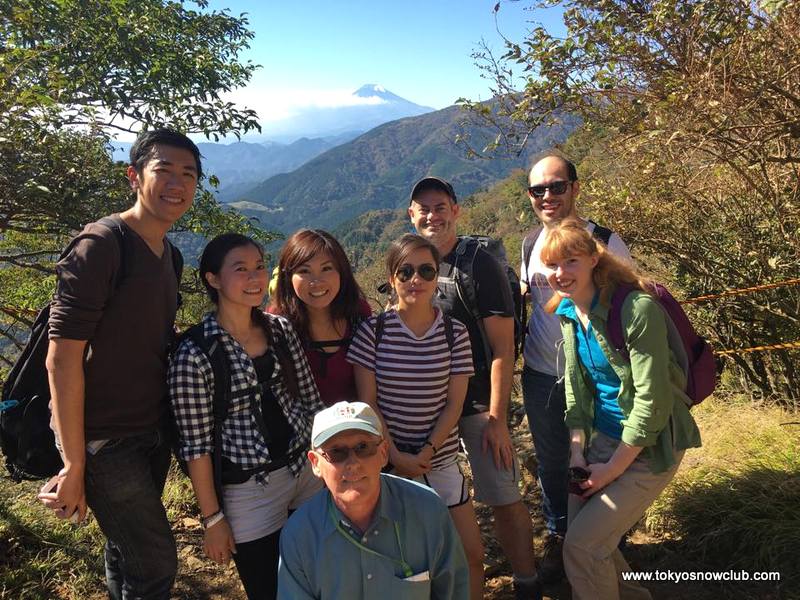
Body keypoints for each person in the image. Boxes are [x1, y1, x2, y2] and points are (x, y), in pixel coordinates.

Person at [38, 128, 199, 599]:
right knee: (155, 563)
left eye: (188, 174)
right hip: (104, 439)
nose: (177, 184)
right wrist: (72, 461)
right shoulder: (102, 244)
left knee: (125, 551)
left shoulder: (169, 255)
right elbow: (61, 358)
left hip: (150, 429)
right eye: (163, 171)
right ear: (134, 176)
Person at [540, 218, 701, 599]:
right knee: (589, 546)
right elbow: (578, 393)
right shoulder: (568, 313)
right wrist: (578, 451)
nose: (560, 274)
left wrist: (613, 469)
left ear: (594, 259)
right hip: (603, 441)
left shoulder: (636, 308)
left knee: (582, 546)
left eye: (571, 262)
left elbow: (652, 402)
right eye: (552, 265)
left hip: (651, 445)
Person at [169, 233, 324, 599]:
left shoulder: (280, 330)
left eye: (258, 267)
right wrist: (212, 519)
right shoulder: (195, 353)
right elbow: (196, 446)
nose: (255, 277)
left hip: (306, 470)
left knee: (321, 573)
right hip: (250, 490)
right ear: (212, 279)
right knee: (267, 587)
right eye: (241, 269)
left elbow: (311, 402)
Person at [408, 177, 541, 599]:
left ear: (456, 211)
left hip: (481, 402)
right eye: (423, 207)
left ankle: (527, 582)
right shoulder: (412, 263)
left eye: (440, 206)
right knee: (433, 499)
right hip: (433, 403)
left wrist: (498, 420)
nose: (432, 215)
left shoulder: (477, 263)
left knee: (502, 495)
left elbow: (503, 348)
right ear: (411, 215)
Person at [347, 233, 486, 599]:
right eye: (405, 271)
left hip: (438, 462)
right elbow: (369, 405)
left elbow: (454, 403)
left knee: (471, 554)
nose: (416, 280)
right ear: (392, 277)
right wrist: (396, 457)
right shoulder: (372, 333)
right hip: (388, 466)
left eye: (426, 270)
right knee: (407, 566)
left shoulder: (455, 333)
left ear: (436, 274)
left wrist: (425, 451)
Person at [519, 155, 632, 583]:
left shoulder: (603, 241)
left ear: (575, 188)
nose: (548, 196)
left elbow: (631, 306)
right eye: (538, 190)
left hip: (595, 377)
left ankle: (605, 540)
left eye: (556, 186)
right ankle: (559, 535)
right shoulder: (531, 244)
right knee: (552, 462)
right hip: (542, 371)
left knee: (599, 457)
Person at [277, 401, 470, 600]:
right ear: (316, 463)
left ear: (384, 452)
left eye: (363, 447)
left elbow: (455, 591)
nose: (353, 463)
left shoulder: (428, 510)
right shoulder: (299, 534)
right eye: (337, 452)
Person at [269, 229, 371, 407]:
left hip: (356, 425)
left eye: (326, 268)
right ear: (288, 277)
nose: (317, 281)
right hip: (301, 429)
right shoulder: (278, 324)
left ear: (342, 272)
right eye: (304, 271)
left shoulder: (358, 315)